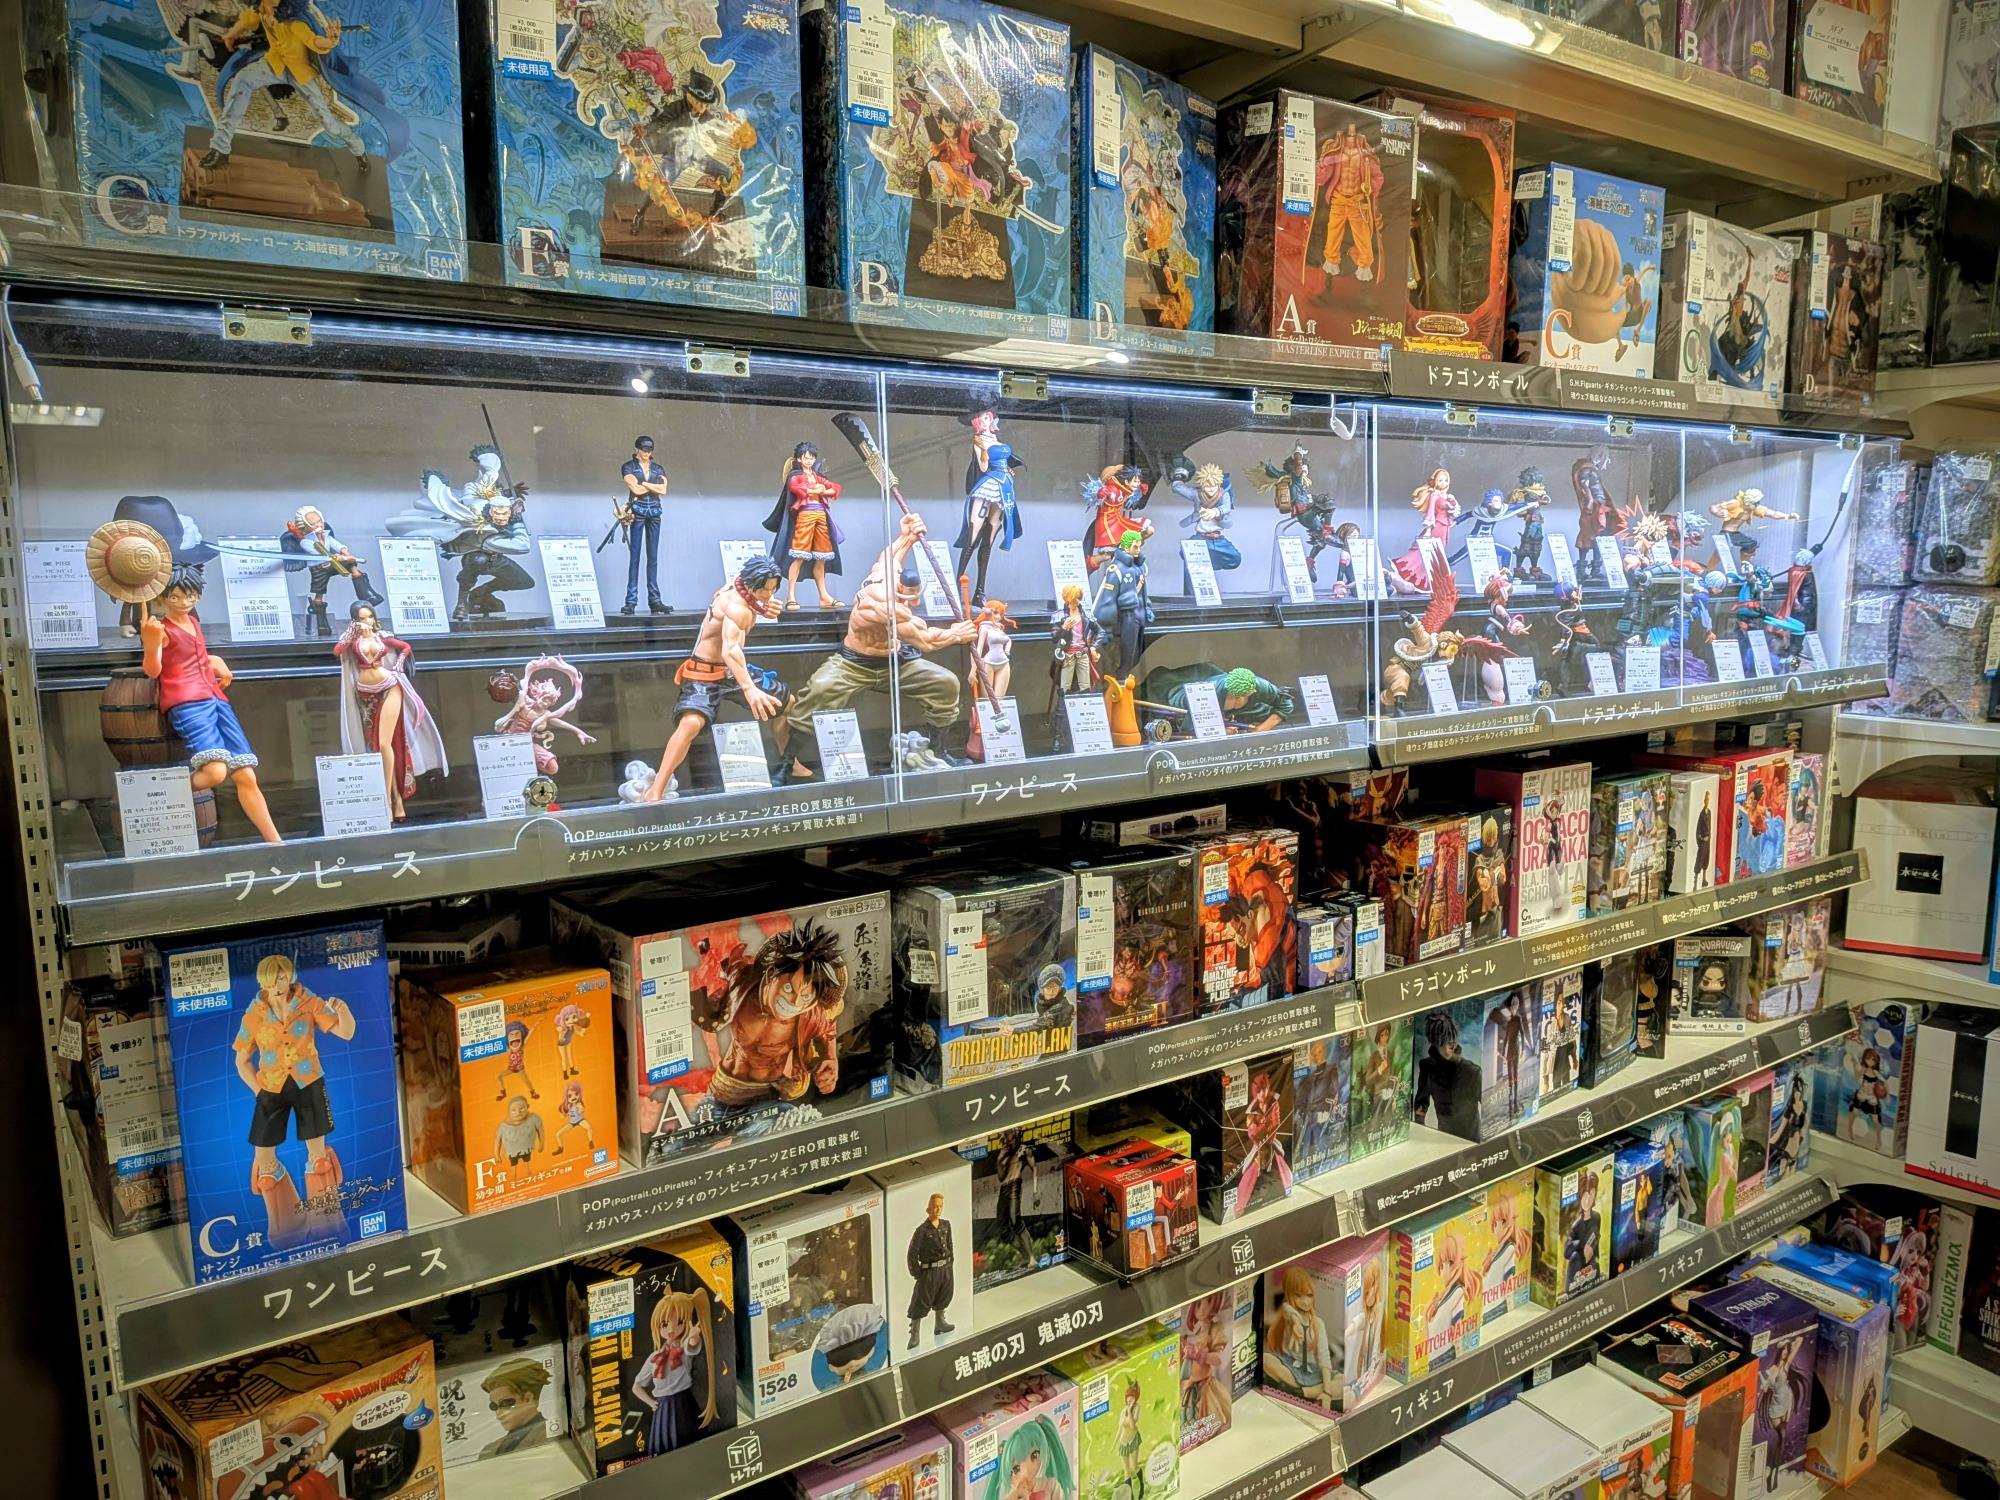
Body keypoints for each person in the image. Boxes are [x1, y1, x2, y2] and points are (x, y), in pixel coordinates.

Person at [784, 514, 981, 772]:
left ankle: (938, 750)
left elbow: (890, 557)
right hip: (854, 664)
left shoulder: (886, 576)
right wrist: (956, 634)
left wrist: (908, 536)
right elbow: (925, 640)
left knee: (944, 683)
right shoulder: (880, 607)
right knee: (819, 690)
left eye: (914, 596)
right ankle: (787, 763)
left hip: (896, 663)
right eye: (907, 598)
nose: (912, 603)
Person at [140, 566, 283, 843]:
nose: (184, 602)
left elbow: (191, 656)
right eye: (175, 597)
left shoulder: (193, 623)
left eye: (190, 596)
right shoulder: (162, 629)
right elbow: (153, 670)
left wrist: (213, 660)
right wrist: (150, 644)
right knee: (216, 772)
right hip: (188, 702)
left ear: (199, 596)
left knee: (246, 774)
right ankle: (158, 795)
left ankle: (276, 842)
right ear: (162, 599)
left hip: (215, 697)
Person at [640, 555, 792, 801]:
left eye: (773, 589)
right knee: (691, 724)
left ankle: (791, 764)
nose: (769, 594)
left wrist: (763, 606)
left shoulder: (738, 583)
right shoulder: (737, 608)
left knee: (787, 702)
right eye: (764, 590)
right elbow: (730, 651)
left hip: (731, 671)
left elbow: (733, 596)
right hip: (704, 672)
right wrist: (750, 689)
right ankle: (656, 789)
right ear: (751, 584)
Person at [232, 953, 355, 1246]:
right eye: (270, 981)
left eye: (281, 979)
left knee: (319, 1159)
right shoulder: (253, 1016)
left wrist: (345, 1012)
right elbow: (241, 1061)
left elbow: (346, 1033)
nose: (276, 986)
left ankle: (328, 1223)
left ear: (290, 977)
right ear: (262, 982)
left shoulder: (310, 1003)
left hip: (308, 1082)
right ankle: (287, 1224)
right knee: (264, 1165)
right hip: (270, 1088)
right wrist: (259, 1091)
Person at [200, 0, 368, 170]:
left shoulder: (294, 22)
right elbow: (247, 21)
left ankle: (358, 148)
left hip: (299, 73)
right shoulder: (261, 10)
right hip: (275, 64)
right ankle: (220, 148)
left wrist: (330, 42)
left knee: (329, 124)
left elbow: (313, 41)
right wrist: (230, 36)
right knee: (243, 79)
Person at [333, 602, 447, 821]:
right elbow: (337, 651)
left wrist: (398, 666)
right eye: (362, 618)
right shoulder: (353, 640)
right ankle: (395, 800)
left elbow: (405, 647)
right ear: (355, 620)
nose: (367, 621)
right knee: (376, 745)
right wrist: (350, 632)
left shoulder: (382, 638)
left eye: (370, 617)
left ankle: (389, 801)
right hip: (366, 692)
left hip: (390, 686)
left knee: (385, 743)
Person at [631, 1288, 719, 1454]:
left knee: (692, 1447)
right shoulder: (654, 1357)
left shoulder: (683, 1349)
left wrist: (694, 1336)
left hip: (684, 1403)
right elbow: (636, 1386)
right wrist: (651, 1403)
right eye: (665, 1324)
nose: (671, 1328)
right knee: (664, 1448)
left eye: (679, 1322)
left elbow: (692, 1346)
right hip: (663, 1407)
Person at [764, 441, 845, 611]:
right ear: (799, 459)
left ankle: (824, 596)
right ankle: (791, 596)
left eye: (811, 458)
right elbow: (797, 488)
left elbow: (835, 488)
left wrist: (822, 490)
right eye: (806, 458)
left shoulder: (817, 476)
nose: (809, 461)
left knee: (822, 557)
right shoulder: (796, 475)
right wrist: (817, 490)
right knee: (799, 555)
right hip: (805, 515)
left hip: (821, 515)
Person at [281, 504, 383, 637]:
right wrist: (338, 557)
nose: (318, 525)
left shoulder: (327, 537)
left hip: (332, 563)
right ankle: (322, 625)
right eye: (313, 524)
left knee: (352, 565)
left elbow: (339, 546)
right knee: (319, 596)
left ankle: (368, 595)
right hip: (319, 569)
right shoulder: (305, 542)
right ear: (304, 527)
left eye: (319, 521)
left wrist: (348, 555)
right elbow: (321, 554)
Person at [956, 407, 1020, 606]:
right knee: (972, 538)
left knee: (988, 541)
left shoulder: (997, 441)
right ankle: (955, 587)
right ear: (976, 422)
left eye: (987, 418)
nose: (985, 421)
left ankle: (979, 593)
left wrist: (1007, 468)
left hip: (1003, 486)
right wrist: (983, 451)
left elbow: (1005, 462)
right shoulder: (979, 442)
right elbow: (983, 468)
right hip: (988, 485)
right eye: (981, 419)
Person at [619, 436, 670, 616]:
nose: (647, 453)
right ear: (637, 449)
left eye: (649, 450)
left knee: (653, 558)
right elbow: (636, 490)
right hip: (637, 512)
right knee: (635, 557)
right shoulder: (628, 467)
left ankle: (655, 600)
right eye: (644, 449)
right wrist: (652, 486)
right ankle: (630, 600)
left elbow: (663, 490)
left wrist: (645, 484)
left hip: (655, 512)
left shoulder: (658, 468)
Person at [904, 1191, 957, 1349]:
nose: (938, 1209)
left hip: (945, 1269)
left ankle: (940, 1323)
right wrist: (917, 1273)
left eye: (940, 1206)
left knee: (944, 1295)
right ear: (928, 1208)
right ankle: (915, 1333)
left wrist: (950, 1263)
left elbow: (950, 1245)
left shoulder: (946, 1225)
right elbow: (912, 1254)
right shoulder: (922, 1230)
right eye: (934, 1206)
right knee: (921, 1301)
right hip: (929, 1272)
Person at [478, 1360, 552, 1458]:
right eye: (493, 1406)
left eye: (506, 1403)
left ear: (528, 1399)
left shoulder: (551, 1438)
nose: (499, 1414)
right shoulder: (489, 1450)